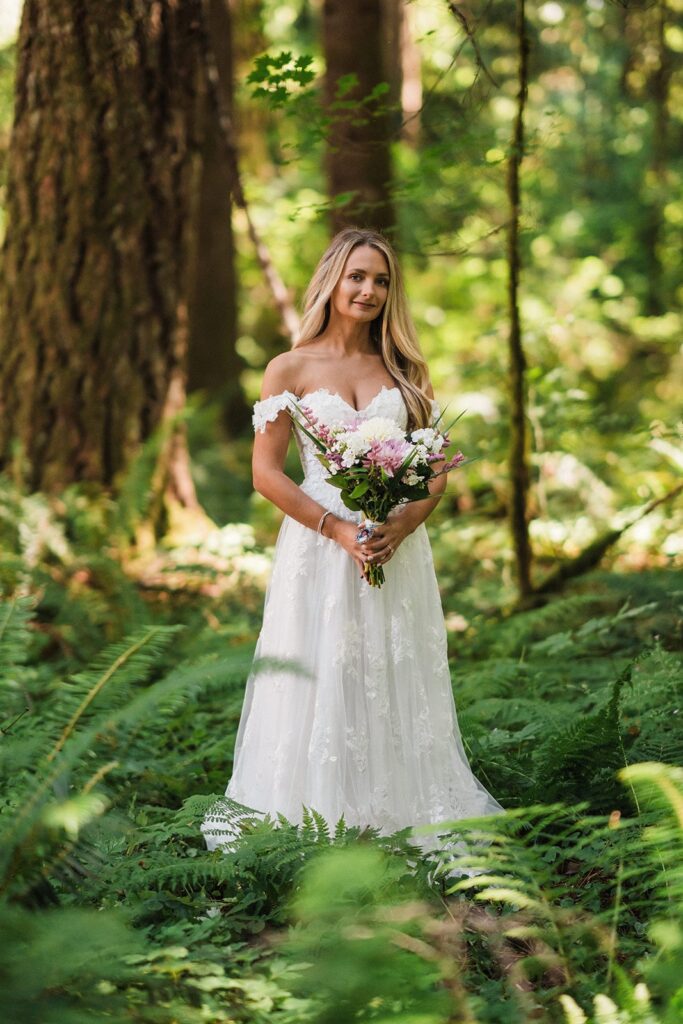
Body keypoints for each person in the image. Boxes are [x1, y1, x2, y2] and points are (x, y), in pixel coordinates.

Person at [201, 227, 502, 857]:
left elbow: (434, 472)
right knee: (324, 661)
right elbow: (265, 473)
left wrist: (403, 524)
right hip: (319, 543)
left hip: (394, 541)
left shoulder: (404, 370)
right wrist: (336, 528)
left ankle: (399, 803)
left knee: (391, 666)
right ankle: (317, 809)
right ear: (333, 280)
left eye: (382, 280)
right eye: (358, 276)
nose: (369, 290)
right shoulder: (289, 368)